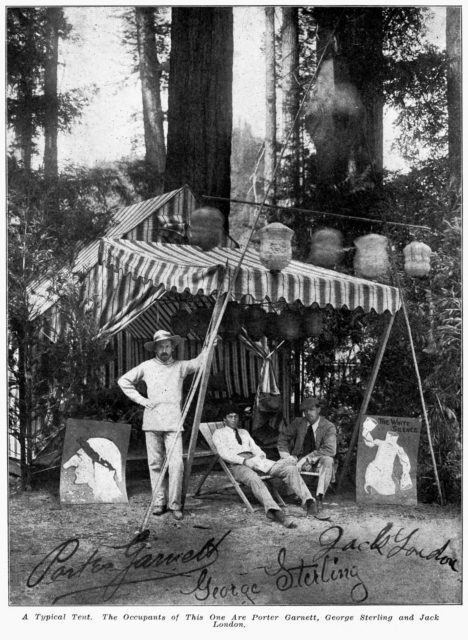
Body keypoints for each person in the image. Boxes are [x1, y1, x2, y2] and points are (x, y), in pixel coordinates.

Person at [118, 329, 207, 520]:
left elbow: (199, 362)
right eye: (160, 347)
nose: (164, 350)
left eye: (167, 346)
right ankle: (159, 502)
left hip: (174, 423)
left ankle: (175, 505)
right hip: (152, 422)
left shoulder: (180, 367)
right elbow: (123, 381)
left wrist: (210, 346)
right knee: (155, 464)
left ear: (172, 348)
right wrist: (143, 400)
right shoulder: (146, 366)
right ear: (155, 349)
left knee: (176, 465)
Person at [212, 404, 316, 528]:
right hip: (238, 465)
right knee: (254, 478)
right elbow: (224, 453)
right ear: (224, 419)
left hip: (256, 460)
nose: (234, 419)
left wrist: (261, 454)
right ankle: (274, 511)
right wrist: (244, 461)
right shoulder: (219, 433)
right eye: (230, 417)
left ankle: (309, 501)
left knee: (290, 469)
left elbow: (255, 447)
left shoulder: (244, 432)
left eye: (236, 416)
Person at [277, 397, 336, 512]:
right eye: (305, 410)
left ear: (318, 410)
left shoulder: (328, 426)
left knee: (328, 460)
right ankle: (301, 497)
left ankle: (319, 497)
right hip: (299, 459)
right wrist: (285, 454)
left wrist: (308, 458)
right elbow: (283, 438)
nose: (308, 413)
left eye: (311, 409)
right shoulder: (299, 423)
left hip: (318, 460)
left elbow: (330, 449)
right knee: (288, 466)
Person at [63, 437, 123, 502]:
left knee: (101, 481)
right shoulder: (86, 458)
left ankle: (105, 495)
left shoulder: (102, 469)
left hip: (103, 459)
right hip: (97, 453)